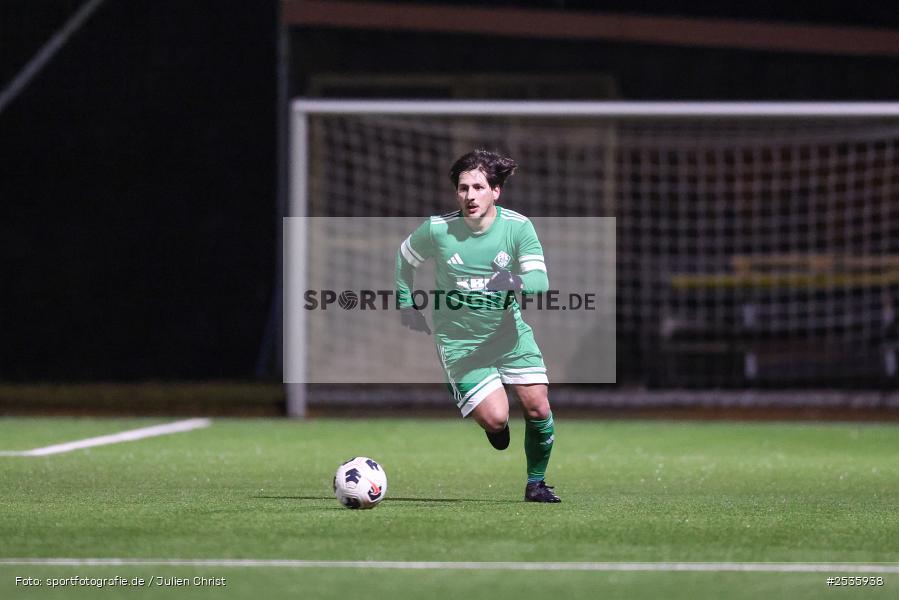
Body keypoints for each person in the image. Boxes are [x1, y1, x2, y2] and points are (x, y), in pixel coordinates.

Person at [395, 149, 559, 503]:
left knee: (538, 407)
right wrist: (406, 304)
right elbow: (404, 259)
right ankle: (493, 424)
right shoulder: (438, 230)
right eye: (463, 188)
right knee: (498, 420)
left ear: (495, 191)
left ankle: (537, 483)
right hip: (460, 343)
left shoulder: (518, 227)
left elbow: (541, 283)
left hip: (509, 336)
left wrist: (512, 282)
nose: (470, 196)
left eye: (479, 187)